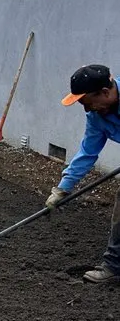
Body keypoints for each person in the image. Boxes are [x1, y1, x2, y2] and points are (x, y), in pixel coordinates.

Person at [45, 63, 120, 283]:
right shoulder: (98, 116)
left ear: (105, 93)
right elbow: (88, 152)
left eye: (88, 104)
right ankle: (114, 267)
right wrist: (63, 188)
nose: (88, 110)